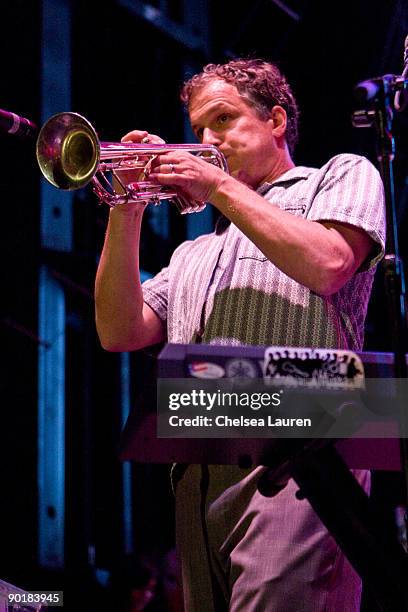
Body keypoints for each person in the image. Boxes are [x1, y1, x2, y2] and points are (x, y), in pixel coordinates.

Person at [95, 59, 385, 611]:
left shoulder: (338, 177)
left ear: (276, 119)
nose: (208, 140)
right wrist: (125, 206)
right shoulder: (192, 253)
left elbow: (328, 262)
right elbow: (118, 330)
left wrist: (217, 184)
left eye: (224, 119)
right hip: (199, 468)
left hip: (301, 458)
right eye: (200, 129)